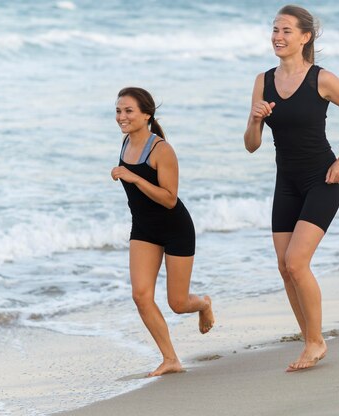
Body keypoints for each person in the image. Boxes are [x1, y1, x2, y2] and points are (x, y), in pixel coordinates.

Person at [243, 5, 339, 372]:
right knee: (284, 268)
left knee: (297, 262)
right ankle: (309, 339)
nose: (278, 37)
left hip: (323, 180)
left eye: (286, 31)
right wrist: (256, 120)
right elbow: (251, 144)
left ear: (305, 37)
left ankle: (316, 343)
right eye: (274, 30)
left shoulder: (322, 79)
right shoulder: (262, 81)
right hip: (286, 183)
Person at [111, 87, 214, 377]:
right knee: (141, 295)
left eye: (129, 111)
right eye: (119, 110)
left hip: (176, 228)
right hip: (143, 228)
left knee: (178, 303)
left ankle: (204, 303)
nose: (122, 116)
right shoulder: (125, 143)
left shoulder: (161, 150)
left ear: (147, 115)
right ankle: (170, 358)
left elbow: (169, 198)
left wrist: (132, 177)